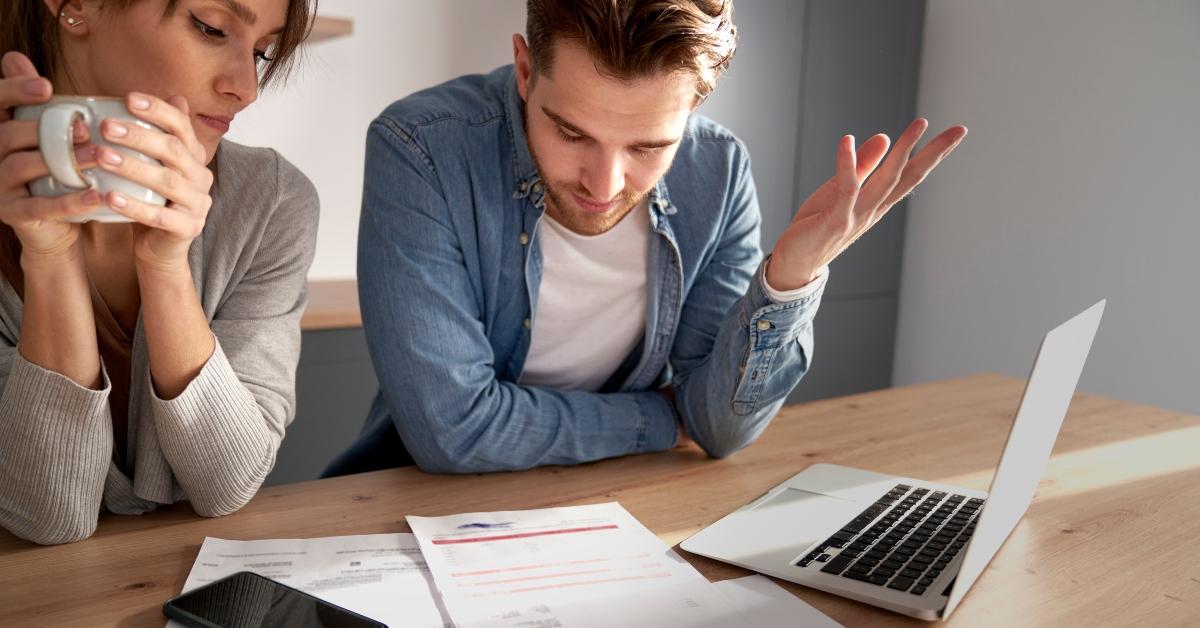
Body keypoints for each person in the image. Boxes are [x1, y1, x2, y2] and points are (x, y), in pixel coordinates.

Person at [327, 0, 965, 475]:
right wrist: (662, 417)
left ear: (693, 109)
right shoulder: (422, 147)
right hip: (415, 511)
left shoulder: (719, 171)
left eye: (648, 146)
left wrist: (791, 277)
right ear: (525, 70)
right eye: (572, 133)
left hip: (617, 505)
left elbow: (719, 429)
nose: (605, 184)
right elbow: (452, 431)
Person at [0, 0, 320, 545]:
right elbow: (46, 514)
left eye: (262, 53)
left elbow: (227, 484)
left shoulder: (271, 202)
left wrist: (167, 265)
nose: (248, 88)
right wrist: (49, 257)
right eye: (211, 28)